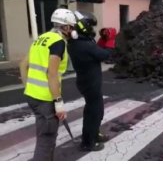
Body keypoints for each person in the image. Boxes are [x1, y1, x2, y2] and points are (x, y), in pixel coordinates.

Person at [19, 8, 77, 160]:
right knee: (46, 141)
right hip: (46, 99)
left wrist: (28, 87)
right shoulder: (58, 43)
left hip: (32, 96)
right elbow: (51, 74)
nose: (73, 31)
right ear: (65, 27)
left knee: (42, 134)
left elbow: (23, 65)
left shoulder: (40, 39)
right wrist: (58, 102)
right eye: (72, 27)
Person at [67, 11, 115, 151]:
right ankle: (88, 142)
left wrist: (103, 38)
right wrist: (110, 40)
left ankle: (94, 134)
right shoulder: (84, 45)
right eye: (90, 27)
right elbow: (105, 55)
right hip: (90, 83)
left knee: (97, 110)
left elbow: (95, 49)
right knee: (93, 113)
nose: (93, 30)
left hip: (86, 82)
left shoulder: (78, 42)